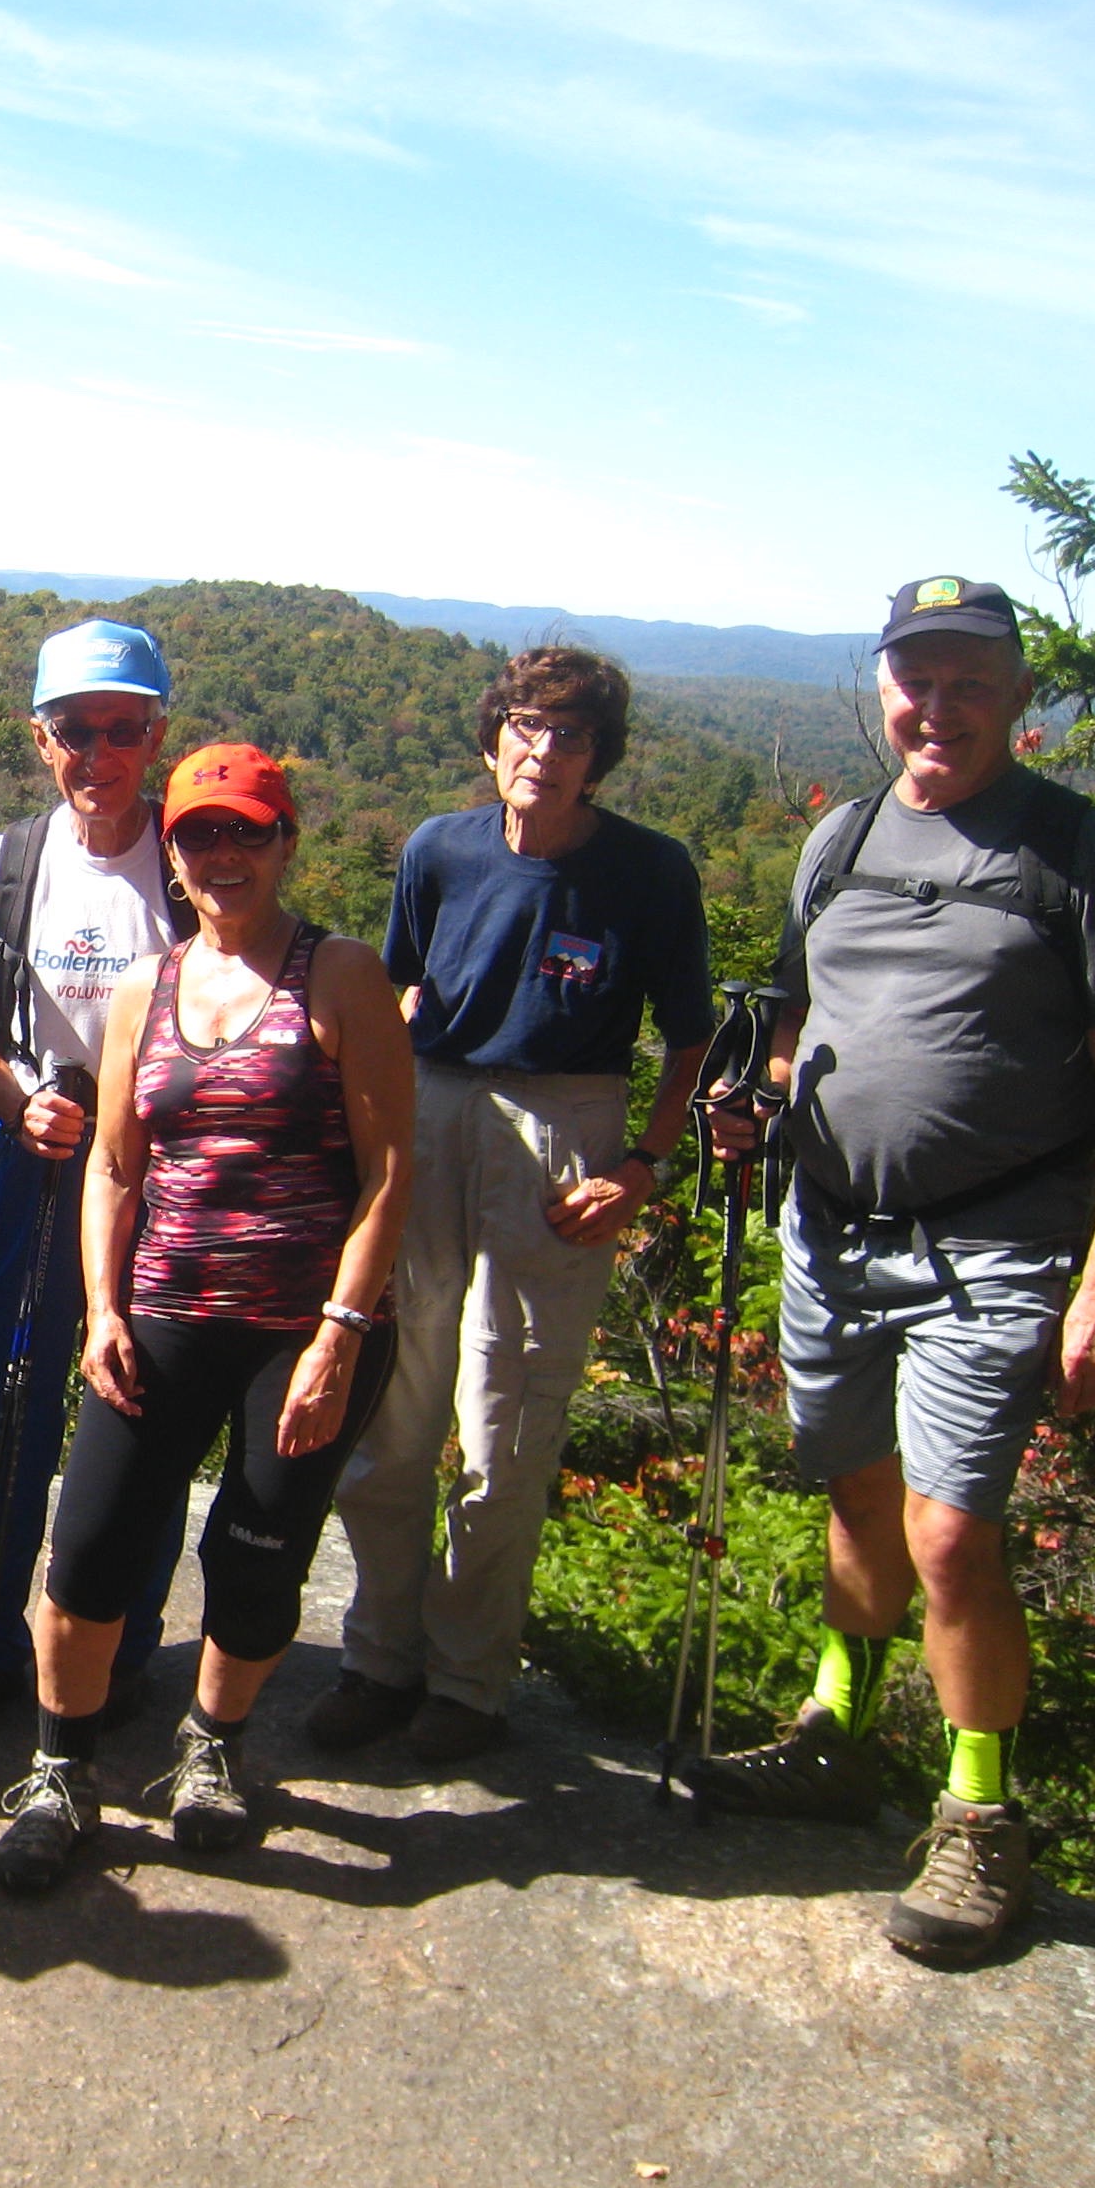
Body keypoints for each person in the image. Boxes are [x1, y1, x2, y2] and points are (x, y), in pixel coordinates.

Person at [695, 577, 1095, 1965]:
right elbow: (795, 1029)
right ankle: (836, 1730)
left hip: (998, 1242)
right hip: (832, 1230)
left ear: (1019, 697)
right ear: (885, 687)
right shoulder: (839, 841)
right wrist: (759, 1100)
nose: (940, 706)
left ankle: (979, 1818)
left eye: (973, 681)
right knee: (854, 1492)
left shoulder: (1078, 852)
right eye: (918, 677)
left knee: (951, 1529)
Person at [0, 747, 414, 1893]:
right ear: (170, 853)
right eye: (198, 836)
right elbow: (116, 1166)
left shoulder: (343, 978)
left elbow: (386, 1177)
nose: (222, 856)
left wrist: (340, 1331)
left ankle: (213, 1748)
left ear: (286, 843)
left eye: (246, 833)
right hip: (166, 1306)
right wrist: (102, 1309)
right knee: (87, 1549)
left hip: (302, 1326)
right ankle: (62, 1770)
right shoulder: (147, 987)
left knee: (258, 1553)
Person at [314, 650, 713, 1764]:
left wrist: (641, 1165)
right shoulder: (440, 850)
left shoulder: (646, 872)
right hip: (430, 1103)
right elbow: (393, 994)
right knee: (395, 1405)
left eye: (571, 735)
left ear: (600, 758)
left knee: (509, 1415)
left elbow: (689, 1037)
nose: (543, 751)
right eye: (526, 727)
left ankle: (469, 1681)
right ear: (493, 738)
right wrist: (368, 1136)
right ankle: (378, 1655)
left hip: (564, 1126)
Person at [0, 619, 194, 1734]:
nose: (99, 753)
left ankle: (117, 1645)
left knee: (145, 1412)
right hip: (41, 1164)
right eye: (74, 730)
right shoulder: (10, 866)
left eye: (121, 727)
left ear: (155, 733)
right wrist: (16, 1100)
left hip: (170, 1175)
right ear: (41, 740)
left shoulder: (193, 860)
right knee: (10, 1412)